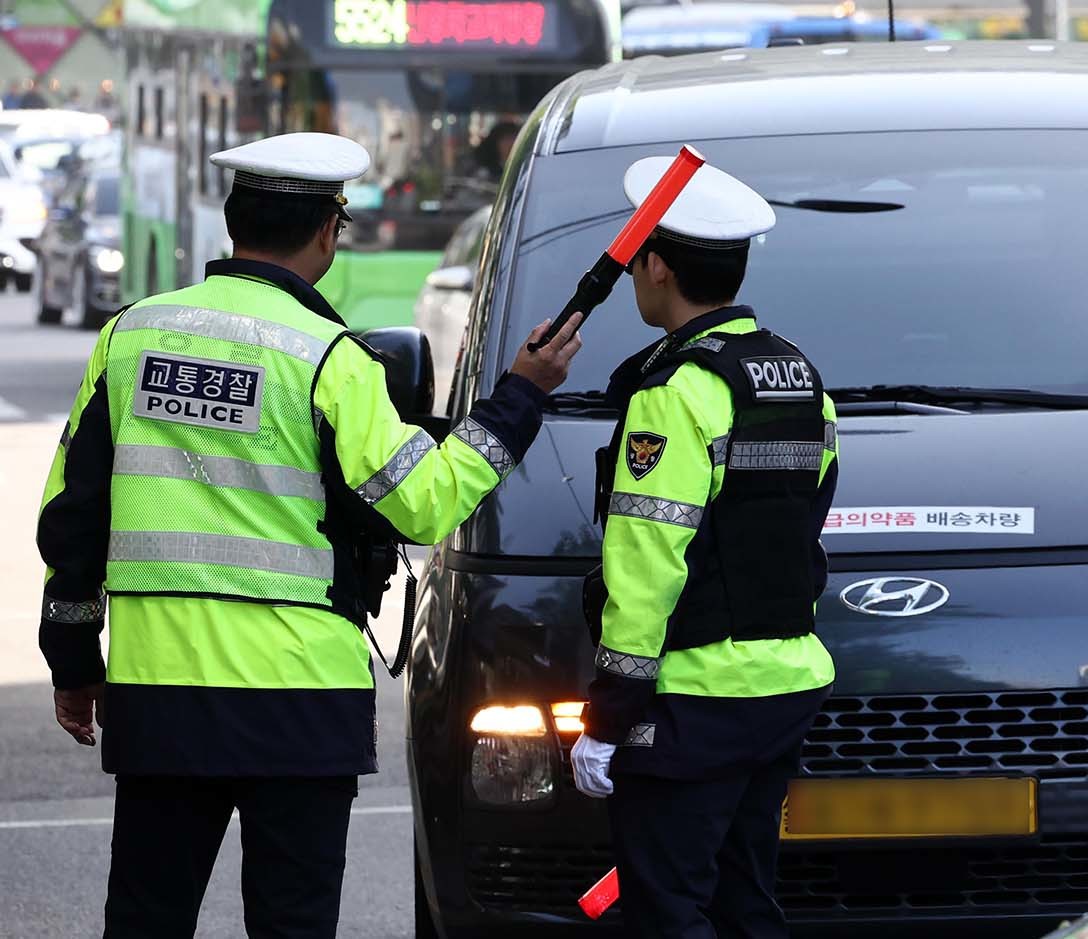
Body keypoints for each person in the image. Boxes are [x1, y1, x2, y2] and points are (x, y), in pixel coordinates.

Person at [35, 132, 583, 938]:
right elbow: (425, 505)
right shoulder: (332, 360)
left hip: (161, 696)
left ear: (232, 222)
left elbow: (71, 523)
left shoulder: (131, 337)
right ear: (328, 232)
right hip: (300, 705)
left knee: (146, 918)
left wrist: (76, 666)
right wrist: (519, 397)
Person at [570, 156, 838, 938]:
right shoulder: (799, 378)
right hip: (784, 688)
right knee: (745, 899)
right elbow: (805, 521)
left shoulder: (675, 393)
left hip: (691, 701)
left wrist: (607, 717)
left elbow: (647, 567)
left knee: (665, 907)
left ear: (655, 265)